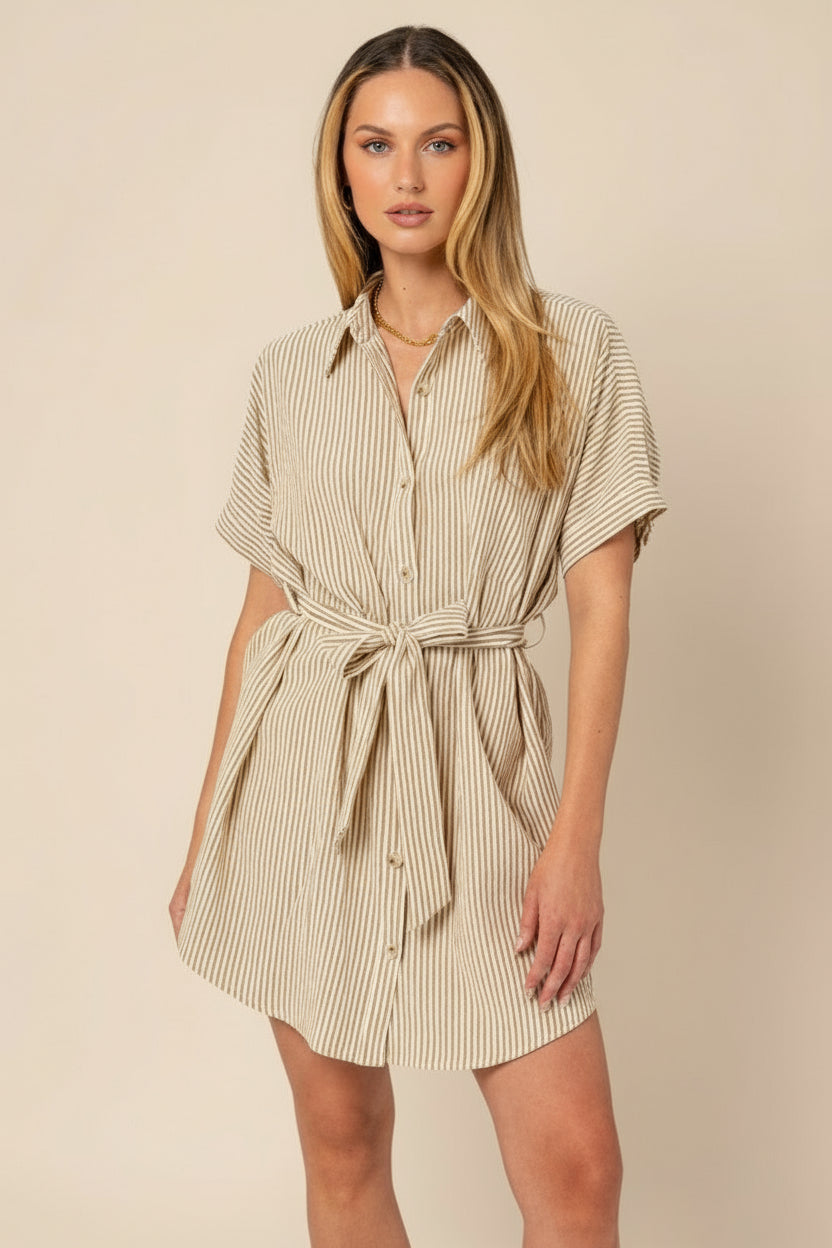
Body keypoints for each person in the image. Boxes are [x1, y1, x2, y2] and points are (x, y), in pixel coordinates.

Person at [169, 23, 667, 1248]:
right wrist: (208, 840)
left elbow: (601, 606)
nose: (406, 178)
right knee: (343, 1147)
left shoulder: (572, 355)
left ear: (478, 161)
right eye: (375, 145)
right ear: (340, 170)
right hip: (303, 800)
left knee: (576, 1168)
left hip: (488, 791)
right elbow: (262, 616)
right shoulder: (290, 377)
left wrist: (575, 843)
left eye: (436, 144)